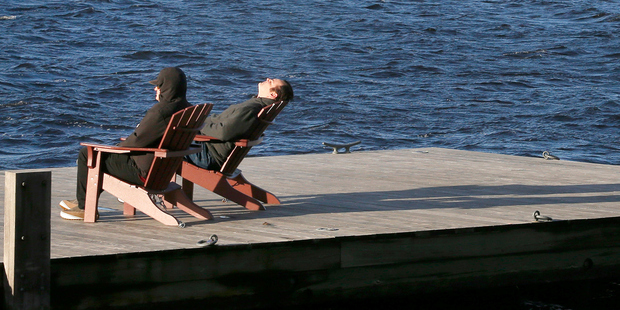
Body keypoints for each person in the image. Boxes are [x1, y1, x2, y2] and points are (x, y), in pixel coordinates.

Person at [59, 67, 193, 220]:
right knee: (104, 156)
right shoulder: (187, 109)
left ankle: (84, 207)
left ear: (167, 88)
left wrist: (114, 149)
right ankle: (84, 198)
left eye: (159, 85)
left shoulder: (161, 112)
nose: (155, 88)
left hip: (143, 172)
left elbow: (136, 141)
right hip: (162, 171)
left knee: (88, 154)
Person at [185, 78, 294, 171]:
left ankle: (172, 192)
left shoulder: (252, 109)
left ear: (273, 94)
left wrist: (198, 125)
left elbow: (223, 132)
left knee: (170, 142)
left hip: (209, 155)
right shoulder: (259, 107)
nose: (268, 79)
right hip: (211, 149)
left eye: (271, 82)